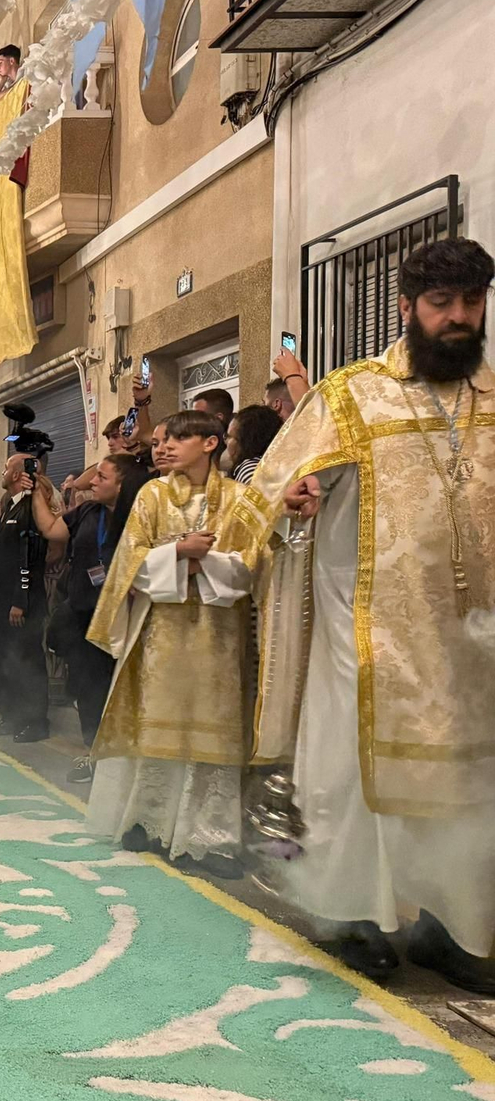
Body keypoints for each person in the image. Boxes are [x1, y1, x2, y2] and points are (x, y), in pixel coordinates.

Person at [221, 237, 495, 990]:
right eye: (441, 303)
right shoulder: (351, 395)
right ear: (406, 307)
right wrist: (295, 497)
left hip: (469, 640)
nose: (459, 317)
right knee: (353, 781)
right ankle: (353, 918)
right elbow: (266, 490)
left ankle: (450, 926)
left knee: (465, 788)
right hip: (365, 633)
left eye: (472, 302)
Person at [85, 411, 254, 876]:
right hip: (159, 631)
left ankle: (210, 838)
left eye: (179, 438)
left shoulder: (240, 499)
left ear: (211, 443)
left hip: (217, 634)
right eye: (162, 440)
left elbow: (252, 564)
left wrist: (204, 564)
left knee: (210, 735)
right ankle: (147, 820)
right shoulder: (152, 495)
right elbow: (128, 560)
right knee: (155, 728)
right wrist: (179, 552)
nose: (164, 447)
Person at [33, 452, 150, 780]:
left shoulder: (141, 514)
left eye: (103, 477)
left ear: (122, 485)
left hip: (126, 618)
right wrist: (36, 490)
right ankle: (94, 754)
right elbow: (51, 529)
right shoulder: (88, 512)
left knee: (122, 690)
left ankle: (124, 761)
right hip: (85, 614)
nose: (93, 482)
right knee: (88, 689)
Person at [0, 453, 55, 742]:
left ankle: (35, 722)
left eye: (5, 467)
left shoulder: (30, 508)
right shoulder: (11, 506)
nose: (2, 472)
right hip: (0, 600)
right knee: (7, 661)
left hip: (21, 602)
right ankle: (11, 716)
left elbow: (28, 560)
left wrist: (20, 600)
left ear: (15, 474)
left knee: (27, 661)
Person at [225, 404, 283, 484]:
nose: (226, 441)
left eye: (229, 436)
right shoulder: (274, 467)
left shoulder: (250, 471)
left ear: (246, 441)